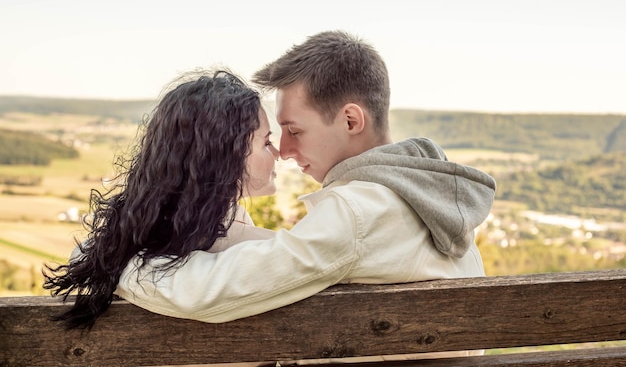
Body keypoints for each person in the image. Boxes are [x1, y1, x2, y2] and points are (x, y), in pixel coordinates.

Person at [112, 30, 497, 331]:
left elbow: (208, 292)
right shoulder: (423, 190)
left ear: (350, 121)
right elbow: (307, 252)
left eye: (294, 130)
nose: (285, 149)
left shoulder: (357, 212)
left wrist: (114, 262)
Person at [43, 69, 280, 329]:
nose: (278, 153)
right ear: (227, 158)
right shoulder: (246, 245)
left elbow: (83, 253)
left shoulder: (147, 237)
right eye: (266, 143)